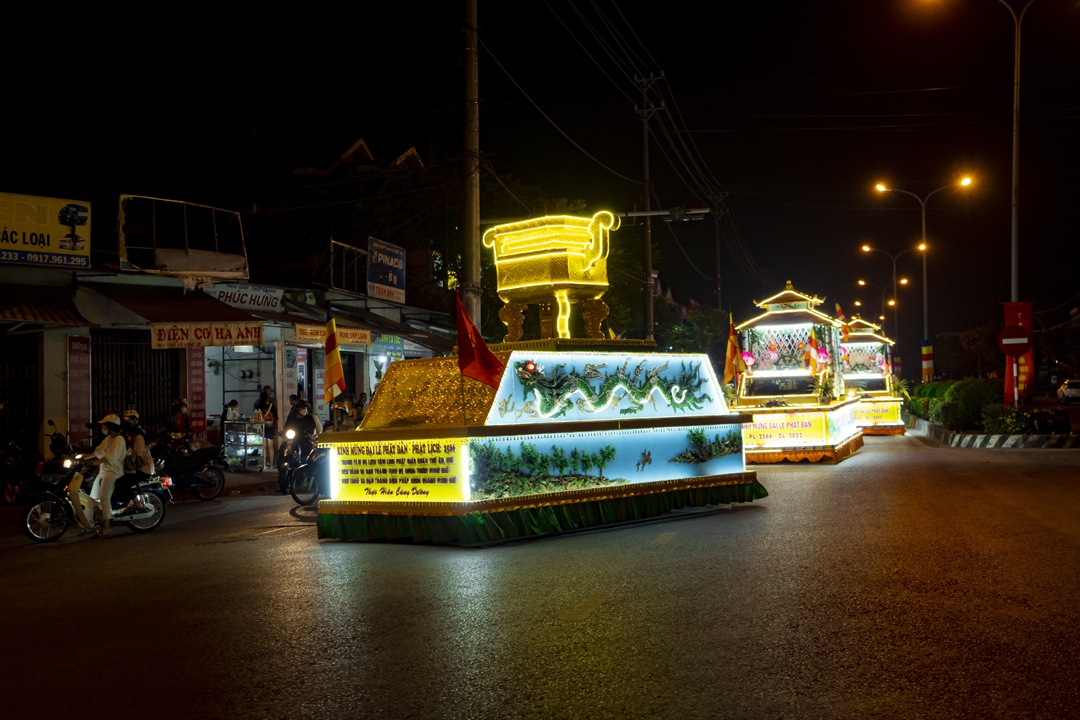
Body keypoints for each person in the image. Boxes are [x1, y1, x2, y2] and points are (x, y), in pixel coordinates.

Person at [89, 414, 127, 538]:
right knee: (93, 497)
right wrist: (81, 457)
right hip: (104, 470)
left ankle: (106, 526)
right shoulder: (108, 439)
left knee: (104, 497)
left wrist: (94, 462)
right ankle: (98, 519)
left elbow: (109, 456)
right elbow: (98, 451)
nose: (103, 427)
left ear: (111, 426)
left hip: (113, 471)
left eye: (105, 425)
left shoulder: (119, 439)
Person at [119, 410, 154, 513]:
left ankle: (137, 504)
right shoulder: (132, 436)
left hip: (143, 468)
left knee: (122, 482)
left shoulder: (138, 437)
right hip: (137, 466)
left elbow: (136, 457)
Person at [279, 401, 318, 493]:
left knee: (308, 458)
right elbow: (286, 427)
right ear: (297, 409)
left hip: (305, 441)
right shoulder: (292, 418)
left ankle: (309, 480)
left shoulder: (309, 418)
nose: (304, 410)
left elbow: (313, 427)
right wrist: (283, 432)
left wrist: (309, 432)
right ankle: (282, 481)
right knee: (282, 453)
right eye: (302, 408)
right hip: (293, 441)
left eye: (306, 408)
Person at [254, 386, 278, 466]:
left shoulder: (258, 407)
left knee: (264, 447)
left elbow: (256, 419)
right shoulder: (272, 406)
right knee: (271, 447)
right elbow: (276, 418)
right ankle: (271, 465)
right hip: (271, 428)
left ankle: (264, 465)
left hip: (262, 427)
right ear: (268, 398)